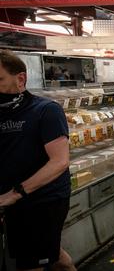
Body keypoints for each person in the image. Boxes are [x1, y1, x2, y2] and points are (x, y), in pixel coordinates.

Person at [0, 50, 76, 271]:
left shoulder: (45, 110)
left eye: (0, 80)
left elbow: (60, 162)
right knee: (54, 256)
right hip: (9, 199)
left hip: (42, 200)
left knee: (31, 264)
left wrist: (14, 194)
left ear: (21, 78)